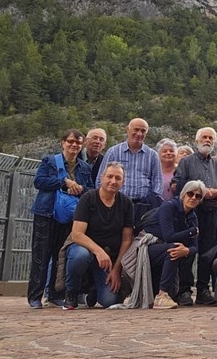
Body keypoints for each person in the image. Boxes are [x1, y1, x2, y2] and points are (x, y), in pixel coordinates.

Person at [28, 129, 94, 308]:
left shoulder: (85, 168)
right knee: (41, 255)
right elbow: (39, 182)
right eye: (71, 141)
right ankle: (35, 295)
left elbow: (91, 190)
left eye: (78, 143)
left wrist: (80, 188)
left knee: (60, 255)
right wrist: (63, 182)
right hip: (46, 213)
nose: (74, 145)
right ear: (63, 142)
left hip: (69, 217)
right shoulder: (49, 162)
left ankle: (54, 293)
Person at [63, 162, 134, 310]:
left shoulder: (126, 203)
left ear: (123, 181)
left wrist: (116, 269)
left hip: (109, 259)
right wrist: (98, 251)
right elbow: (77, 234)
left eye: (118, 178)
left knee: (110, 301)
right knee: (79, 256)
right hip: (85, 249)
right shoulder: (88, 199)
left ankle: (94, 289)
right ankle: (72, 292)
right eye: (109, 176)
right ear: (102, 177)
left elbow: (127, 239)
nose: (113, 181)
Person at [172, 127, 217, 306]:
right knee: (189, 249)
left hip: (211, 211)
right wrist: (200, 189)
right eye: (204, 137)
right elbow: (177, 184)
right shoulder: (186, 161)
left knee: (207, 253)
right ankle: (184, 290)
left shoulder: (215, 163)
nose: (207, 140)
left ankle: (202, 289)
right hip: (192, 211)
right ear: (197, 140)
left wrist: (216, 192)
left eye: (210, 138)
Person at [145, 180, 207, 309]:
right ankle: (162, 296)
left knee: (178, 249)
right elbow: (169, 236)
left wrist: (187, 251)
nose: (194, 198)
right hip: (148, 245)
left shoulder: (192, 217)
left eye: (198, 196)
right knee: (174, 248)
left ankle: (171, 292)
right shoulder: (169, 206)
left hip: (165, 248)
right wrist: (191, 232)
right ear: (184, 194)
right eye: (190, 194)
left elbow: (195, 247)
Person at [97, 118, 163, 223]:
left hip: (144, 206)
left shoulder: (152, 155)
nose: (139, 134)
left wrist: (152, 200)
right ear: (127, 130)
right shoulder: (113, 152)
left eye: (143, 131)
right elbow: (101, 179)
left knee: (140, 238)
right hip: (117, 204)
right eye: (136, 129)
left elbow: (158, 182)